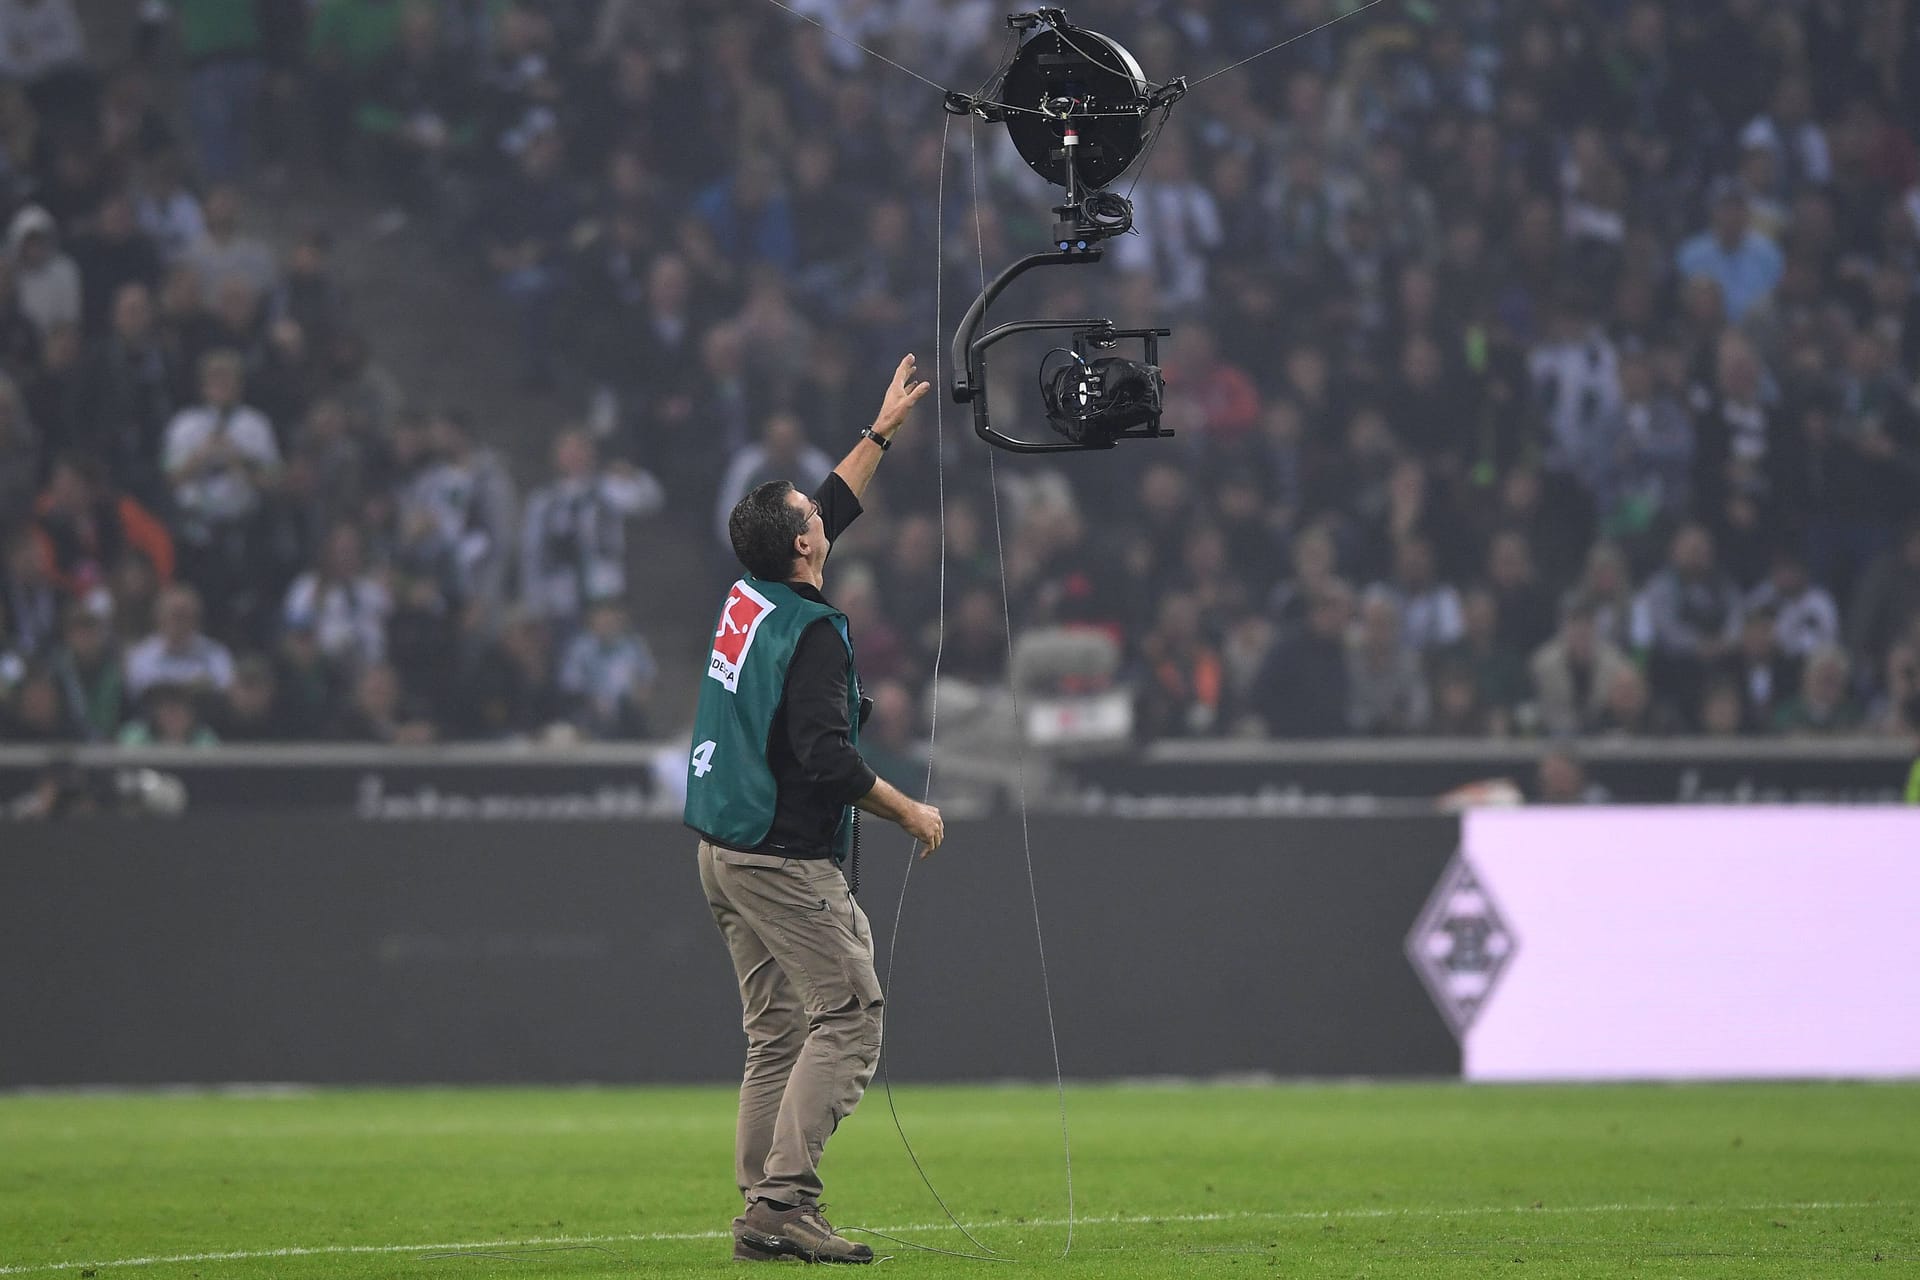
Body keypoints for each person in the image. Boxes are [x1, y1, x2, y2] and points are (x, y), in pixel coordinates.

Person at [686, 354, 942, 1266]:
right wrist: (909, 810)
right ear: (804, 548)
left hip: (720, 848)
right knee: (851, 1014)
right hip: (780, 854)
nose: (818, 514)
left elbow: (830, 503)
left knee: (775, 1033)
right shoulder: (818, 634)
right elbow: (825, 760)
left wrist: (881, 430)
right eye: (808, 515)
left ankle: (761, 1200)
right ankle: (787, 1201)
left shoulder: (748, 596)